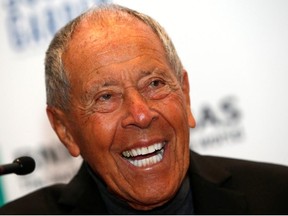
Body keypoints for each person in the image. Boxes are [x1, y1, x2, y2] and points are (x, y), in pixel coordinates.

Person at [1, 3, 288, 214]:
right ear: (65, 130)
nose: (140, 114)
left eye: (154, 84)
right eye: (105, 97)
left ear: (185, 95)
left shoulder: (277, 195)